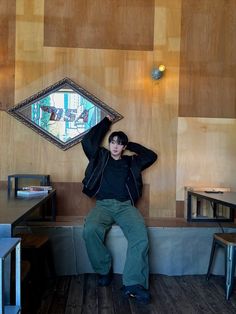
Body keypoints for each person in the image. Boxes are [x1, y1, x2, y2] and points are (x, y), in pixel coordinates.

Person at [81, 115, 157, 304]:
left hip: (125, 207)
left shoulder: (132, 162)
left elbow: (151, 156)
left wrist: (130, 145)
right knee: (90, 230)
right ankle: (104, 269)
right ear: (109, 144)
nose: (115, 146)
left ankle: (134, 284)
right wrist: (106, 123)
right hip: (103, 205)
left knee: (140, 235)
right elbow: (87, 141)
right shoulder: (100, 156)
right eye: (113, 142)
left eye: (119, 143)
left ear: (123, 147)